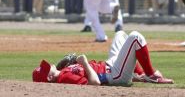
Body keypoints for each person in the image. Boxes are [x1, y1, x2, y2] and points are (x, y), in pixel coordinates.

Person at [32, 30, 174, 85]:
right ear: (49, 78)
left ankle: (141, 74)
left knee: (120, 34)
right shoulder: (64, 78)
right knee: (135, 37)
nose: (49, 65)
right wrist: (85, 63)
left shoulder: (63, 70)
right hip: (114, 75)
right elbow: (94, 83)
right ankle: (151, 74)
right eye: (46, 69)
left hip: (110, 66)